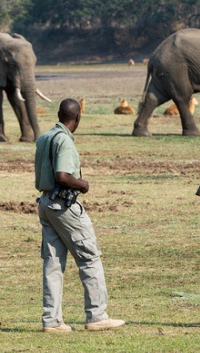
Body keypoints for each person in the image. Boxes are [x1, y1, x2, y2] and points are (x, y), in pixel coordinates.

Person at [34, 98, 125, 333]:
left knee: (53, 263)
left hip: (45, 203)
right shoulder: (64, 141)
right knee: (89, 257)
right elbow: (62, 175)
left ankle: (52, 321)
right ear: (78, 118)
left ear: (58, 114)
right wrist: (82, 184)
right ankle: (97, 315)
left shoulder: (45, 137)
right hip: (64, 205)